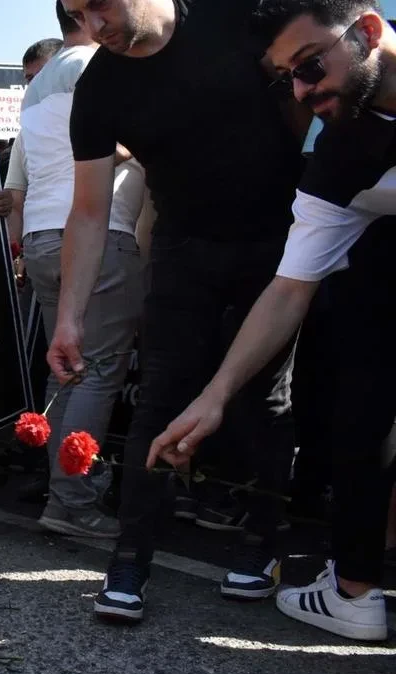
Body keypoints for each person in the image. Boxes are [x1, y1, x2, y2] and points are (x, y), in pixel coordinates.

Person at [52, 0, 307, 624]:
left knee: (263, 400)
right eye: (78, 14)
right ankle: (130, 559)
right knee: (160, 398)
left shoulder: (235, 16)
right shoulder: (99, 86)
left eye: (100, 5)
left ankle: (261, 542)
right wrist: (69, 318)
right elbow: (88, 210)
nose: (94, 27)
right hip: (181, 248)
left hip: (278, 244)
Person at [150, 0, 396, 642]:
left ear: (368, 31)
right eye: (287, 77)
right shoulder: (340, 156)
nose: (302, 91)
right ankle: (355, 586)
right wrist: (215, 396)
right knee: (362, 394)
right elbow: (288, 289)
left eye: (310, 65)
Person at [4, 0, 147, 539]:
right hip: (95, 233)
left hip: (44, 236)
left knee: (63, 367)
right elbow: (107, 149)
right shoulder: (98, 66)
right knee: (95, 370)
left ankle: (63, 494)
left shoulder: (39, 85)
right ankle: (74, 501)